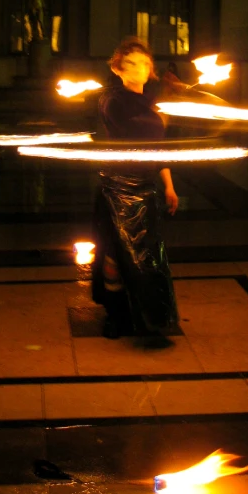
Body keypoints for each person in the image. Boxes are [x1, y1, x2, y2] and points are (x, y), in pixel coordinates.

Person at [92, 37, 179, 343]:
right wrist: (173, 101)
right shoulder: (112, 100)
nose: (138, 69)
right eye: (130, 63)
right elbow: (139, 133)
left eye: (143, 63)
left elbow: (159, 148)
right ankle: (116, 316)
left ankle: (151, 319)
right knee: (117, 255)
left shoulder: (153, 103)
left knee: (148, 257)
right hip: (118, 187)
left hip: (146, 185)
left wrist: (168, 184)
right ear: (118, 68)